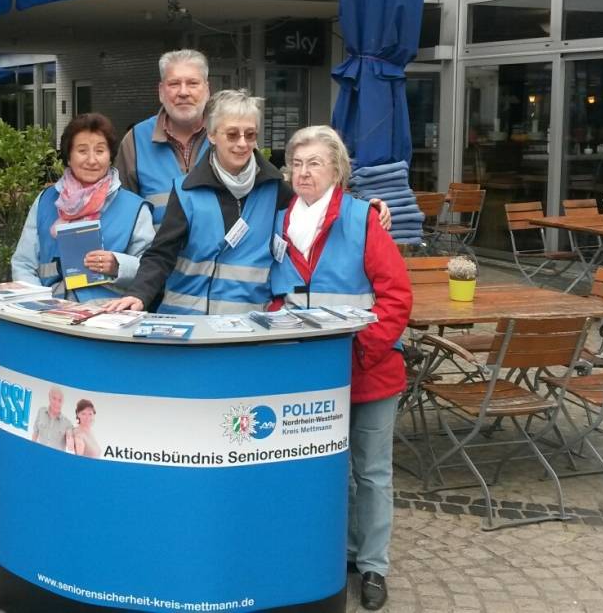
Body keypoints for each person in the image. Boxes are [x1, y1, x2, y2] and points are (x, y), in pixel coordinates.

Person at [268, 125, 411, 611]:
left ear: (337, 170)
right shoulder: (281, 222)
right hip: (308, 377)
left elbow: (396, 296)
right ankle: (339, 553)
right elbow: (276, 294)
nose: (304, 172)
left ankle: (373, 565)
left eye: (315, 163)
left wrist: (362, 350)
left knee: (371, 472)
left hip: (368, 370)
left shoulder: (362, 219)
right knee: (326, 469)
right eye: (298, 163)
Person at [107, 90, 286, 315]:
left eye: (250, 135)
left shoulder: (277, 190)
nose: (242, 143)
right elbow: (162, 253)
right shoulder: (186, 191)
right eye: (232, 134)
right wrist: (139, 294)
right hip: (187, 324)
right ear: (211, 135)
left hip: (247, 327)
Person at [12, 113, 154, 301]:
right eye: (82, 150)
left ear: (110, 156)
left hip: (108, 319)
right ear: (68, 156)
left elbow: (151, 269)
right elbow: (23, 263)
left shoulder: (135, 208)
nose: (92, 160)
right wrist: (38, 305)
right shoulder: (46, 201)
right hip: (50, 315)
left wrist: (118, 265)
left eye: (100, 151)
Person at [113, 49, 213, 227]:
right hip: (156, 254)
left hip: (219, 255)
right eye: (174, 84)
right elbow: (121, 216)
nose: (183, 92)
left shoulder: (231, 136)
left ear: (207, 90)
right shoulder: (135, 141)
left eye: (192, 83)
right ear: (161, 91)